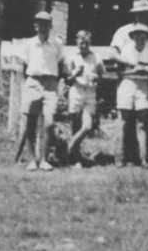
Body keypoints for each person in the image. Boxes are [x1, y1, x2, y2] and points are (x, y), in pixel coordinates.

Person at [19, 11, 66, 171]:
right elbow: (24, 67)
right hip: (33, 82)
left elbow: (60, 65)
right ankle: (33, 160)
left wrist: (55, 85)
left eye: (46, 24)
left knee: (49, 123)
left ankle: (45, 159)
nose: (43, 27)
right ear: (35, 25)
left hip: (50, 85)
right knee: (29, 124)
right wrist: (29, 84)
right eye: (40, 23)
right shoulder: (28, 44)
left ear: (50, 26)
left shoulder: (56, 44)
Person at [116, 23, 148, 167]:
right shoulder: (126, 50)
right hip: (127, 85)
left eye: (143, 37)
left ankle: (144, 158)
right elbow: (121, 73)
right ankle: (120, 157)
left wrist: (145, 70)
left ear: (146, 39)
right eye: (137, 37)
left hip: (142, 88)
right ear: (133, 38)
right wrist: (136, 70)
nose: (140, 40)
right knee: (125, 123)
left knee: (142, 123)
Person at [66, 30, 104, 167]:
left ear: (90, 43)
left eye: (86, 43)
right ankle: (76, 159)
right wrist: (75, 74)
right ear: (77, 42)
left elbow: (101, 75)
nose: (83, 46)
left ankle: (69, 146)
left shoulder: (96, 57)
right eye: (81, 42)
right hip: (76, 91)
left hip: (90, 93)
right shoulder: (72, 57)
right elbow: (68, 80)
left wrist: (96, 78)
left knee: (87, 126)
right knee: (75, 126)